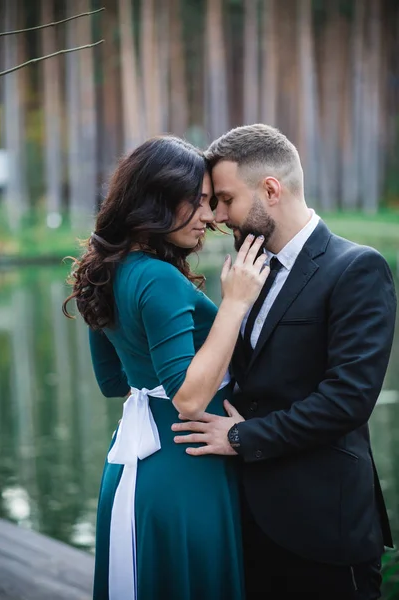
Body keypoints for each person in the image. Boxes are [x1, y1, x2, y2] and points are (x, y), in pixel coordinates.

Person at [172, 124, 397, 600]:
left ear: (270, 189)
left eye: (227, 199)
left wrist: (239, 437)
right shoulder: (248, 270)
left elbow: (347, 401)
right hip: (251, 522)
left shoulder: (356, 269)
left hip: (324, 529)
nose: (218, 216)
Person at [63, 135, 270, 600]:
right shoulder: (158, 279)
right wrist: (235, 303)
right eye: (196, 203)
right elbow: (189, 398)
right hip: (186, 467)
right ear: (156, 201)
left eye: (211, 202)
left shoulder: (106, 270)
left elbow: (113, 381)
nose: (207, 217)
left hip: (135, 466)